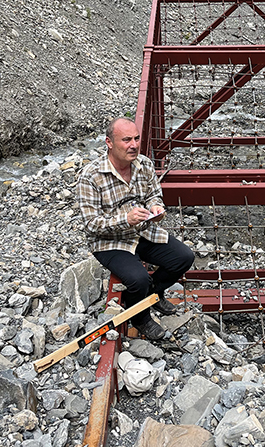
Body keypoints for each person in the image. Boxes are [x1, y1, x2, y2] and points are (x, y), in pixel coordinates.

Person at [77, 117, 195, 340]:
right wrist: (125, 220)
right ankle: (141, 319)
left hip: (142, 232)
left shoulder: (145, 164)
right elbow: (91, 225)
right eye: (126, 140)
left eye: (136, 138)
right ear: (109, 143)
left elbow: (153, 194)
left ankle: (154, 293)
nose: (134, 144)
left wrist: (155, 207)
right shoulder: (90, 176)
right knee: (137, 279)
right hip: (109, 242)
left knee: (184, 257)